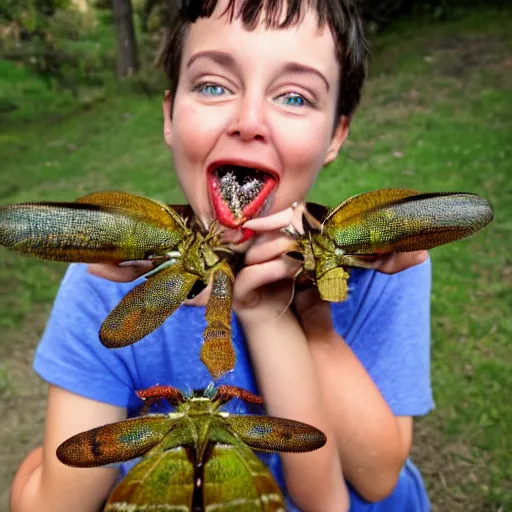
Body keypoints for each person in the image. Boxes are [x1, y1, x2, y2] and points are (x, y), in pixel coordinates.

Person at [10, 0, 433, 510]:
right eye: (213, 85)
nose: (248, 120)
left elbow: (378, 477)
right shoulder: (103, 279)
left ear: (335, 135)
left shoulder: (386, 261)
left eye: (295, 97)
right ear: (169, 115)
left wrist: (313, 321)